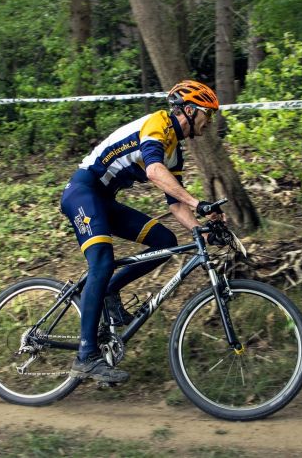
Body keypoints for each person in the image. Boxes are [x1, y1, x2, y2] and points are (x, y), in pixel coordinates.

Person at [60, 79, 224, 383]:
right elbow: (153, 171)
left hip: (103, 201)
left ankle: (110, 290)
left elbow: (175, 205)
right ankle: (86, 356)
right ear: (189, 110)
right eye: (207, 113)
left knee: (165, 240)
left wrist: (201, 228)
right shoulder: (158, 124)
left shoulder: (175, 150)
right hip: (82, 192)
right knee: (103, 261)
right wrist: (197, 201)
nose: (209, 120)